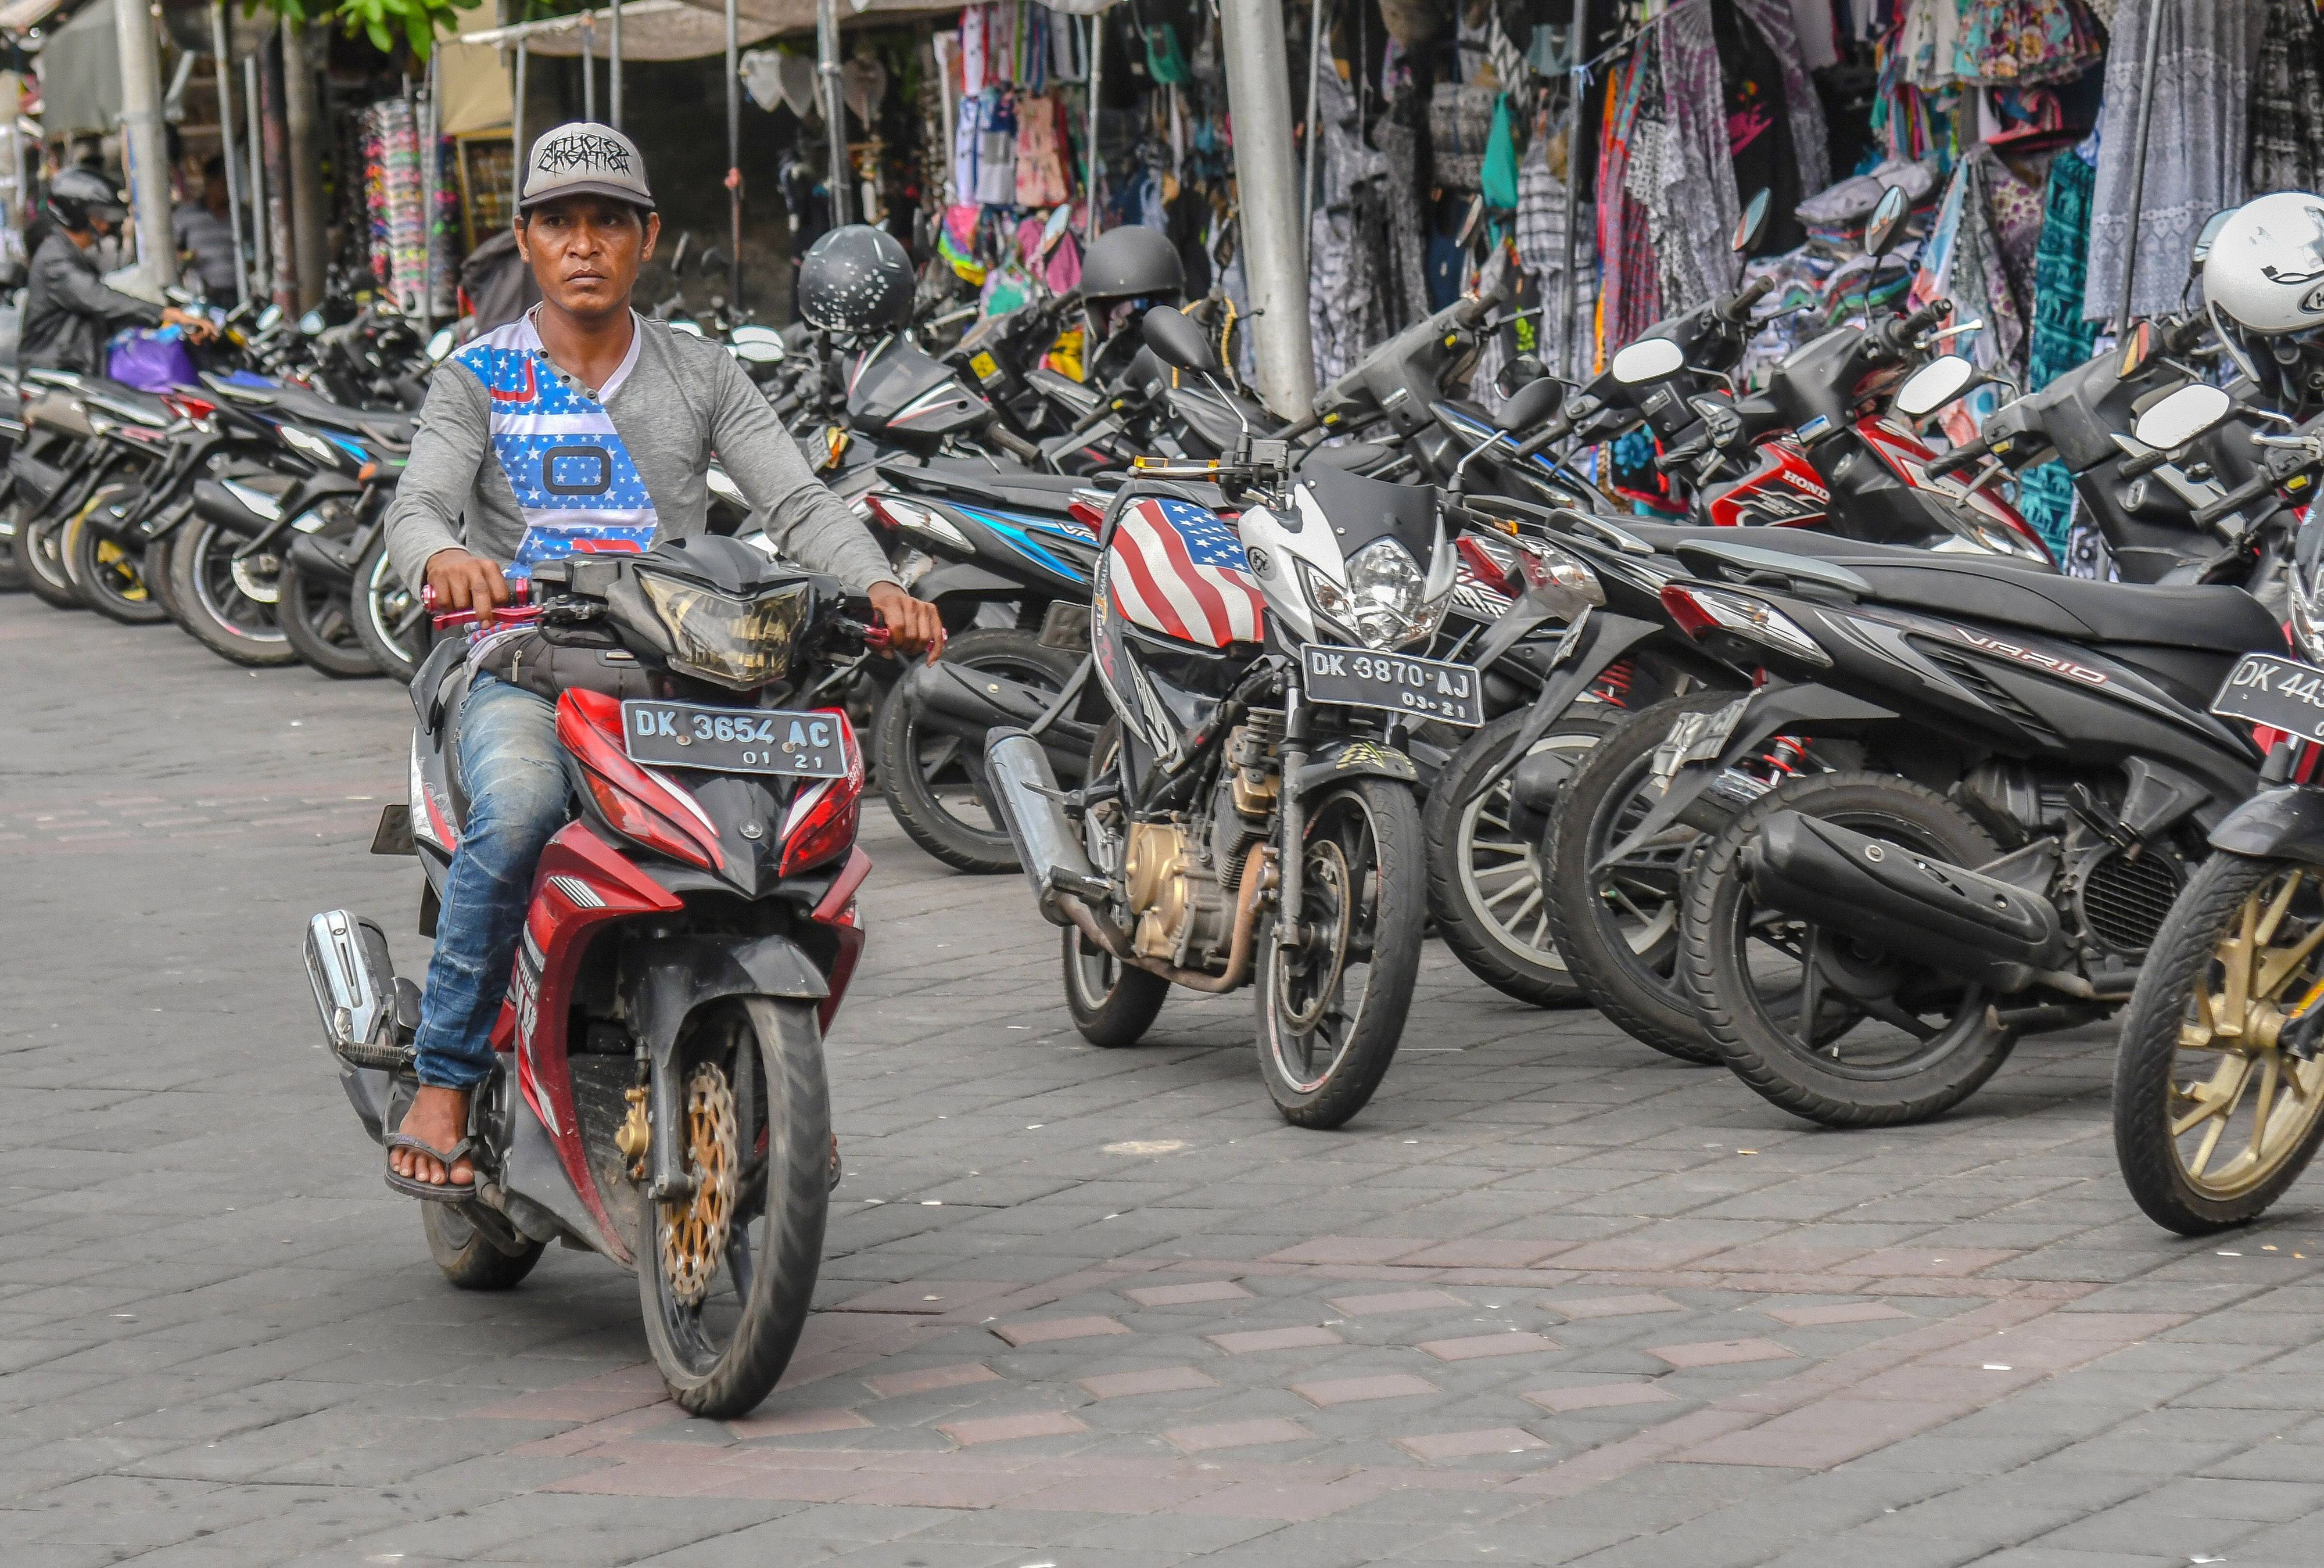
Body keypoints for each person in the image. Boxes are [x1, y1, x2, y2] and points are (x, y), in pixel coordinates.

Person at [380, 123, 944, 1197]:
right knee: (518, 815)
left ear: (647, 237)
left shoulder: (701, 370)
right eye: (559, 222)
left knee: (794, 836)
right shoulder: (478, 378)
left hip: (686, 674)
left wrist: (877, 586)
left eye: (608, 222)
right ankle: (445, 1075)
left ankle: (776, 1076)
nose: (583, 244)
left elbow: (795, 499)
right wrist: (445, 558)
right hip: (523, 663)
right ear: (526, 240)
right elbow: (418, 505)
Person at [19, 167, 215, 374]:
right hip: (55, 373)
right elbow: (98, 298)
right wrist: (165, 313)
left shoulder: (71, 254)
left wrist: (169, 323)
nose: (105, 226)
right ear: (75, 215)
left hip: (75, 367)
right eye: (98, 217)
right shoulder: (55, 258)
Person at [173, 156, 241, 302]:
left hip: (239, 294)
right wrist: (188, 257)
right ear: (210, 182)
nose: (228, 189)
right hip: (203, 296)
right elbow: (173, 253)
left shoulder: (241, 216)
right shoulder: (187, 216)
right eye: (223, 183)